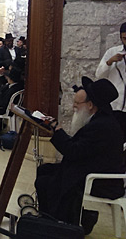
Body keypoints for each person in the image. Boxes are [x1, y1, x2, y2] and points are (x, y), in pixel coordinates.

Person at [35, 76, 124, 234]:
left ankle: (57, 226)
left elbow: (74, 152)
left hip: (101, 180)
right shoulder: (100, 120)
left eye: (77, 103)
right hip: (92, 168)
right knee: (45, 170)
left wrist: (58, 132)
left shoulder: (101, 126)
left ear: (90, 105)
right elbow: (81, 149)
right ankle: (52, 219)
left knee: (45, 181)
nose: (74, 106)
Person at [95, 21, 126, 156]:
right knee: (114, 143)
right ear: (120, 37)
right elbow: (99, 74)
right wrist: (110, 62)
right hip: (115, 106)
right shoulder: (112, 52)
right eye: (125, 38)